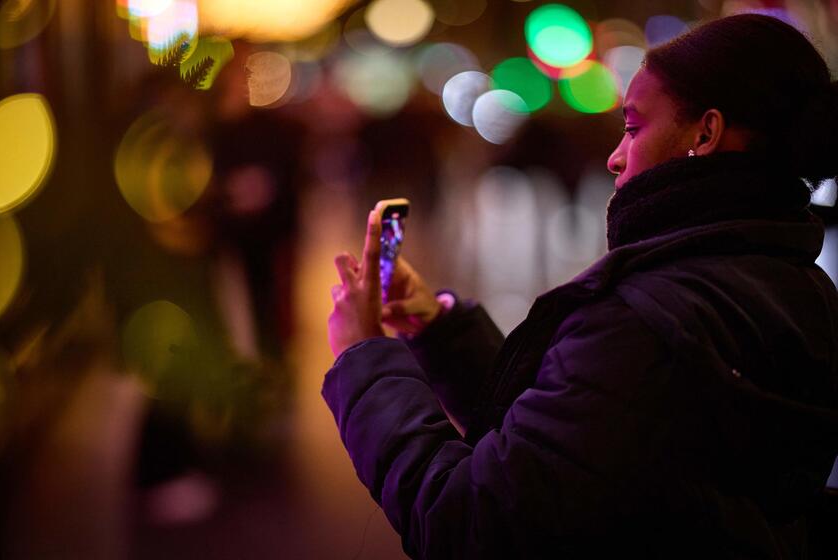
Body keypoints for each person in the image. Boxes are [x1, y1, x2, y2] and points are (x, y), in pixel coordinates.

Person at [323, 14, 838, 559]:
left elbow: (470, 519)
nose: (616, 156)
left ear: (705, 133)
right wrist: (442, 333)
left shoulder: (648, 321)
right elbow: (585, 440)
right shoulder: (800, 287)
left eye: (635, 127)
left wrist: (365, 356)